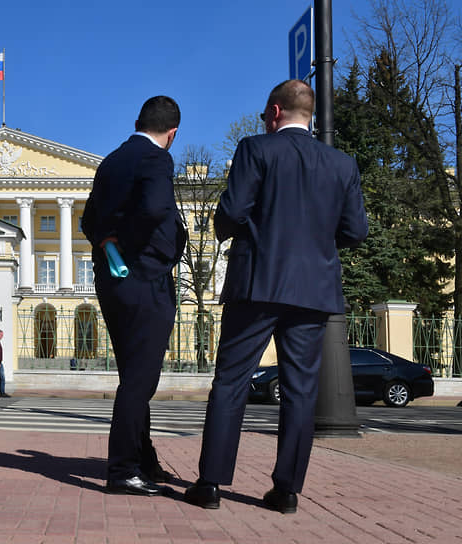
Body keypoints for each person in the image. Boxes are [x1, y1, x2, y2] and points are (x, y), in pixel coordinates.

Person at [183, 80, 368, 513]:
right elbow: (356, 231)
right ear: (312, 115)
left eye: (267, 114)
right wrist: (317, 244)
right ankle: (286, 492)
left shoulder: (257, 149)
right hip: (313, 291)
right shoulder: (343, 164)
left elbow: (230, 212)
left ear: (275, 112)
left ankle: (210, 484)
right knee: (301, 391)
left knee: (231, 381)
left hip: (257, 284)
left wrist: (238, 230)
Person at [81, 96, 187, 496]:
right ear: (172, 133)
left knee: (133, 375)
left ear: (137, 121)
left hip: (111, 282)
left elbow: (88, 220)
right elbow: (157, 209)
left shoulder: (110, 161)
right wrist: (133, 245)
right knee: (141, 380)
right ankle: (124, 469)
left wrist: (108, 241)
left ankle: (143, 459)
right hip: (146, 279)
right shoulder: (157, 159)